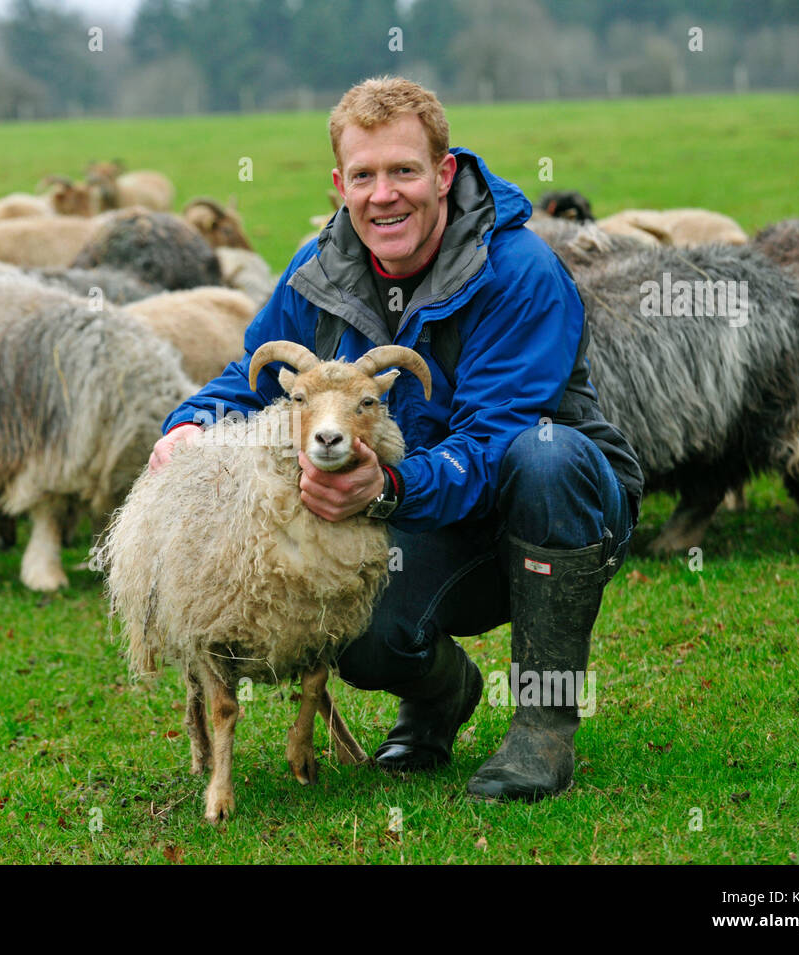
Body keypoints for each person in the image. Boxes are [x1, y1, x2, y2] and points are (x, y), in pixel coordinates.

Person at [148, 76, 643, 802]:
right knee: (350, 624)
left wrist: (387, 485)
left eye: (404, 171)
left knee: (545, 453)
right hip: (410, 516)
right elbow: (252, 376)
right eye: (364, 175)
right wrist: (189, 424)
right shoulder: (317, 273)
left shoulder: (520, 272)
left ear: (443, 175)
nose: (385, 195)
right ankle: (440, 695)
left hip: (547, 514)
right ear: (339, 184)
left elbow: (497, 436)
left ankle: (543, 724)